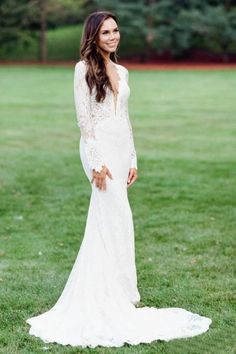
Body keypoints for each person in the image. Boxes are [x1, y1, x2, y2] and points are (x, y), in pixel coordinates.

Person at [26, 11, 212, 348]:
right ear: (93, 36)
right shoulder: (83, 69)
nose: (113, 36)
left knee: (115, 219)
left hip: (120, 147)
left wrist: (132, 158)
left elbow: (124, 118)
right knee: (113, 215)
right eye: (105, 32)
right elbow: (84, 120)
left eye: (115, 30)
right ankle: (108, 294)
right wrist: (97, 162)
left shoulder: (123, 71)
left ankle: (120, 291)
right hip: (97, 150)